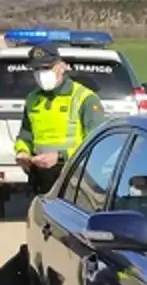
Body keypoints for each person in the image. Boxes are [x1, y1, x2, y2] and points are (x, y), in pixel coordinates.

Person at [14, 45, 107, 195]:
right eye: (36, 69)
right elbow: (25, 135)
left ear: (61, 67)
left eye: (47, 68)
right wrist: (23, 152)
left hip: (77, 180)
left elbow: (98, 145)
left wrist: (61, 157)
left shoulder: (85, 98)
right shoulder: (32, 99)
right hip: (43, 180)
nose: (41, 74)